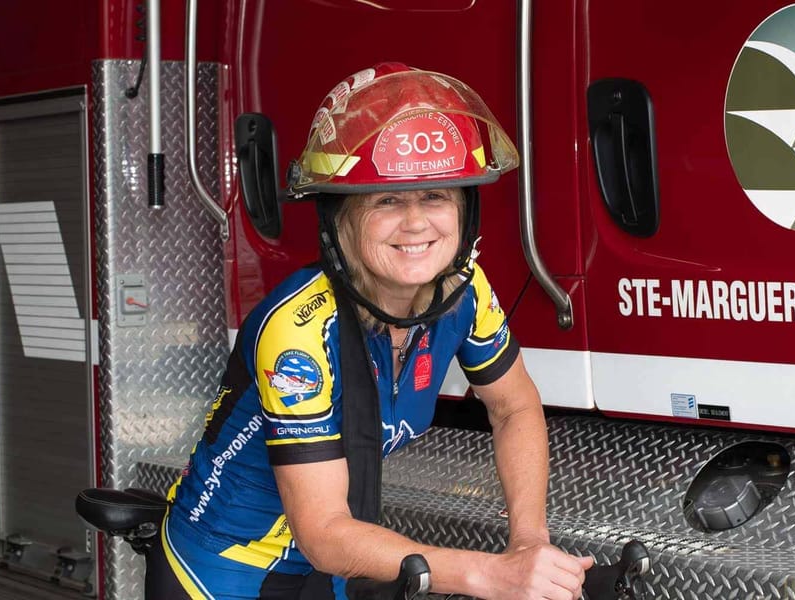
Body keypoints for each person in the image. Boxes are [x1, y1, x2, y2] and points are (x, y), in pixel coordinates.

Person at [150, 63, 592, 599]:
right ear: (342, 219)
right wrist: (487, 574)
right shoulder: (299, 330)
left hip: (327, 570)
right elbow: (323, 534)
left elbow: (513, 406)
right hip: (222, 568)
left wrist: (527, 541)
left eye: (436, 196)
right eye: (386, 201)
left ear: (465, 210)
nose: (416, 223)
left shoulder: (465, 290)